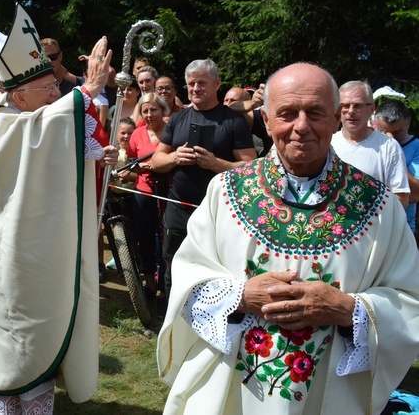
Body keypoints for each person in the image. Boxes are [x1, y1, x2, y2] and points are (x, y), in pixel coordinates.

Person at [156, 62, 419, 414]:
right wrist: (240, 295)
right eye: (287, 113)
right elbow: (188, 278)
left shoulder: (380, 205)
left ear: (336, 118)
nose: (301, 126)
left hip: (332, 396)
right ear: (265, 121)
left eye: (315, 112)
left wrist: (348, 309)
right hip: (232, 390)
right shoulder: (225, 190)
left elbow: (409, 300)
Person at [0, 3, 114, 415]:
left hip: (33, 253)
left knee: (36, 343)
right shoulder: (2, 125)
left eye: (57, 87)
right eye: (48, 88)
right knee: (14, 345)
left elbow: (47, 153)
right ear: (18, 94)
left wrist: (91, 155)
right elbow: (44, 130)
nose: (57, 94)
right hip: (7, 263)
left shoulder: (27, 122)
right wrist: (86, 91)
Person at [152, 59, 256, 298]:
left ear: (217, 83)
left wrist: (217, 164)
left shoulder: (233, 120)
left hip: (219, 212)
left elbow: (251, 167)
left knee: (215, 270)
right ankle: (171, 319)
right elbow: (157, 161)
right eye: (191, 84)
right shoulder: (178, 119)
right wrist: (175, 157)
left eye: (201, 83)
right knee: (174, 264)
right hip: (179, 209)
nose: (195, 88)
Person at [331, 80, 409, 208]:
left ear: (371, 109)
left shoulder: (388, 147)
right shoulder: (328, 144)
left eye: (357, 106)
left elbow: (401, 198)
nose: (350, 111)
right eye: (345, 106)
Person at [125, 92, 171, 298]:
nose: (150, 114)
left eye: (154, 109)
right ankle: (150, 285)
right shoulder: (137, 134)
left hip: (167, 192)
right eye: (145, 110)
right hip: (143, 191)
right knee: (144, 237)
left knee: (165, 239)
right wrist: (145, 167)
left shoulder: (170, 131)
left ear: (163, 110)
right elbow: (133, 162)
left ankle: (166, 284)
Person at [375, 99, 419, 236]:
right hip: (373, 228)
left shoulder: (416, 147)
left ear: (408, 122)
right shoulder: (371, 144)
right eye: (384, 132)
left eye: (397, 132)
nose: (391, 138)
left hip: (403, 231)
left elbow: (415, 195)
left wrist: (396, 157)